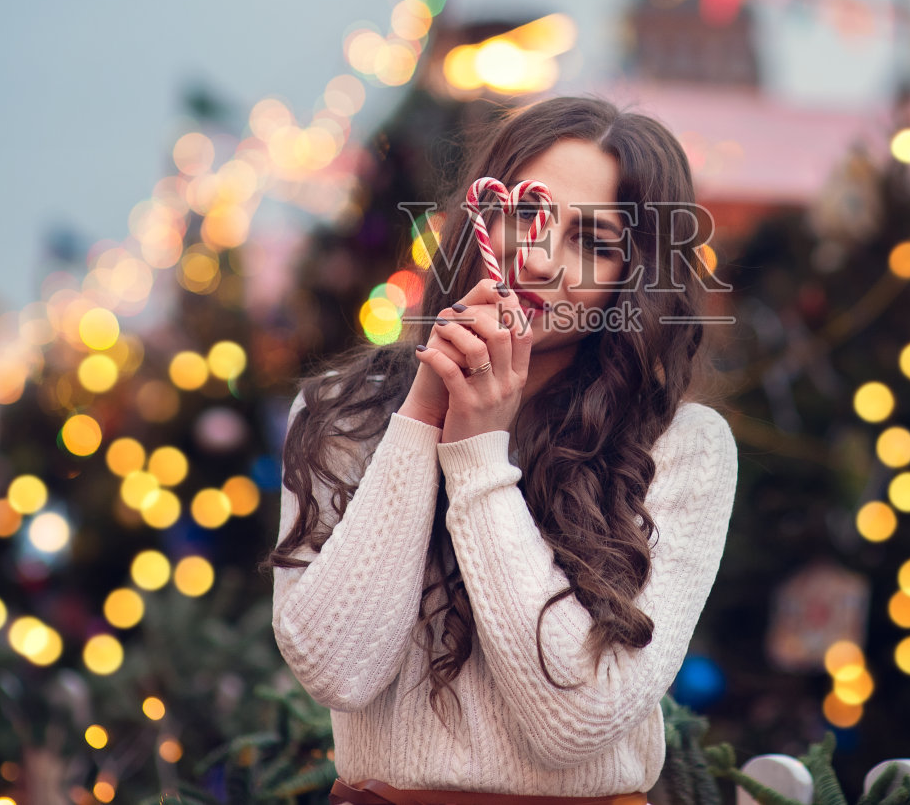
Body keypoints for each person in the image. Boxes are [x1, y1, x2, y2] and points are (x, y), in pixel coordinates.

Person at [265, 95, 739, 804]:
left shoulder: (681, 447)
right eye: (527, 214)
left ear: (633, 277)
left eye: (594, 243)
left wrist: (479, 457)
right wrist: (423, 415)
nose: (541, 260)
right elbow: (338, 671)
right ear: (481, 217)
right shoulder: (343, 413)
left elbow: (576, 724)